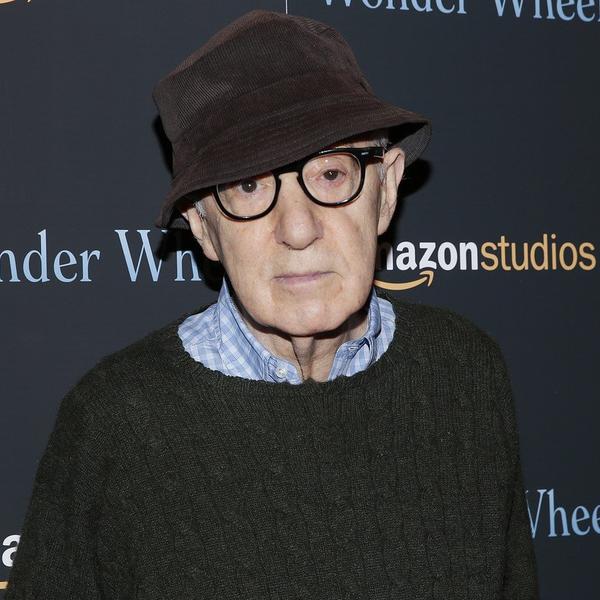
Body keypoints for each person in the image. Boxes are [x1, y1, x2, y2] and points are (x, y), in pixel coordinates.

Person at [5, 9, 540, 600]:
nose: (298, 228)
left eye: (331, 174)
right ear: (203, 227)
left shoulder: (465, 373)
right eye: (250, 185)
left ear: (386, 189)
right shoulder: (113, 424)